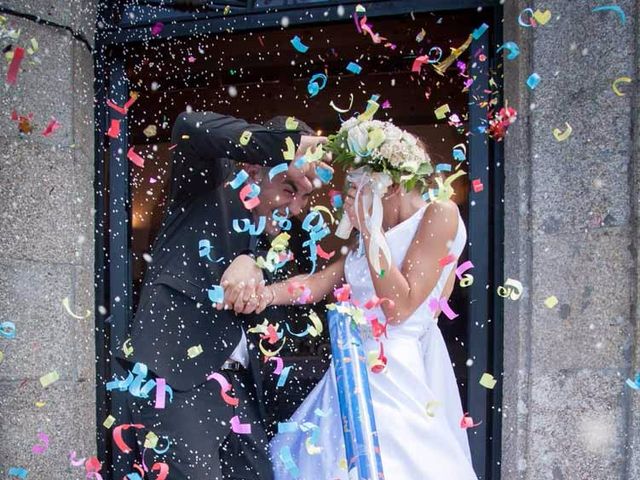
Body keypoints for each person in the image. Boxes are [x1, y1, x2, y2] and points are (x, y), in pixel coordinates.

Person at [225, 127, 477, 479]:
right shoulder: (371, 239)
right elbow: (317, 283)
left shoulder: (440, 213)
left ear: (389, 184)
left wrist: (372, 230)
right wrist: (265, 294)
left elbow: (399, 307)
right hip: (350, 372)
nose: (349, 201)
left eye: (359, 189)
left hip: (396, 375)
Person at [119, 110, 330, 480]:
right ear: (254, 168)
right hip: (177, 383)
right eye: (290, 189)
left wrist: (255, 265)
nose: (296, 209)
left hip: (242, 393)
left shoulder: (275, 241)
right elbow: (188, 126)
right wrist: (290, 146)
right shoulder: (208, 184)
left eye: (304, 197)